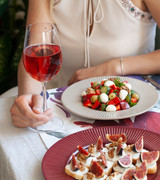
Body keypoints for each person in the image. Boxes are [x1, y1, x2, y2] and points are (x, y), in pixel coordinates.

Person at [10, 0, 160, 128]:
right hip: (58, 108)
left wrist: (114, 67)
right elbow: (35, 52)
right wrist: (29, 96)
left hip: (131, 110)